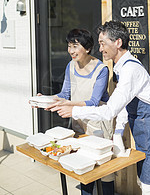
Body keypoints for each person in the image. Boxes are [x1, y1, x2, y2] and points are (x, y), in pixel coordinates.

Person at [47, 21, 150, 195]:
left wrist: (74, 111)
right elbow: (123, 105)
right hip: (144, 128)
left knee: (149, 185)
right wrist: (118, 133)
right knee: (143, 180)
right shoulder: (121, 66)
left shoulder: (130, 69)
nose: (100, 49)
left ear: (118, 43)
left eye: (102, 43)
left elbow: (109, 110)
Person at [39, 28, 114, 195]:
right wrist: (45, 98)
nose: (70, 51)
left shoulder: (101, 69)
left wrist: (68, 104)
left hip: (98, 125)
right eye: (69, 46)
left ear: (87, 48)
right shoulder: (70, 66)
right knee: (83, 169)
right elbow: (64, 94)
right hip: (78, 123)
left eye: (75, 46)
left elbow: (94, 102)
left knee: (104, 172)